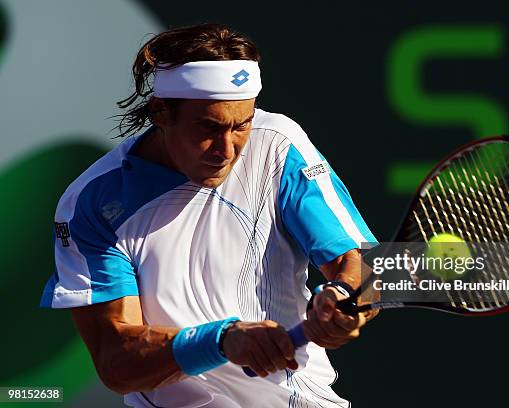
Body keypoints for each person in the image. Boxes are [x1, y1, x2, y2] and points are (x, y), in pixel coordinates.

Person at [40, 23, 377, 408]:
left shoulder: (280, 145)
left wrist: (346, 298)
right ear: (161, 112)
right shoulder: (92, 201)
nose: (227, 149)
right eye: (209, 127)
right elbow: (117, 362)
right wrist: (222, 340)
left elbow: (364, 264)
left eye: (241, 125)